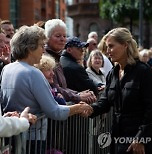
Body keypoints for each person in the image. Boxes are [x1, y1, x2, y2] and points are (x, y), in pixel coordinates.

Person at [0, 25, 93, 153]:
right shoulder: (33, 72)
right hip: (32, 139)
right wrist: (79, 107)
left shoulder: (7, 68)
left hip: (12, 137)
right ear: (30, 48)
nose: (43, 50)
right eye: (41, 46)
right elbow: (54, 111)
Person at [84, 27, 152, 154]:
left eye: (111, 46)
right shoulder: (113, 73)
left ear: (125, 45)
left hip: (139, 142)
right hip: (118, 138)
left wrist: (140, 139)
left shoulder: (144, 72)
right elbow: (105, 101)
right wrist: (89, 109)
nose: (108, 51)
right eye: (107, 47)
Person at [44, 19, 96, 104]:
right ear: (47, 37)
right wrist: (78, 96)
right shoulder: (45, 59)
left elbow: (63, 88)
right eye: (58, 36)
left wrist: (78, 94)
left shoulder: (57, 57)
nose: (62, 39)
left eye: (64, 36)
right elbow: (54, 89)